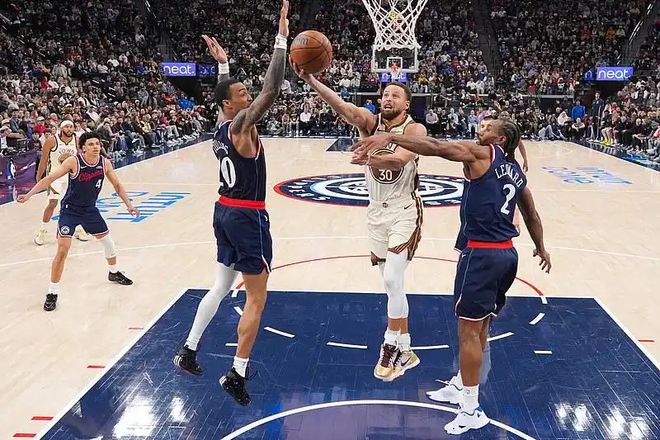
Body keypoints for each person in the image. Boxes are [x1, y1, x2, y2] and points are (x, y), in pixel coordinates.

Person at [352, 117, 551, 435]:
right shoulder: (515, 171)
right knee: (481, 325)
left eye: (488, 128)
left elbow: (435, 147)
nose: (480, 129)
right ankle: (461, 384)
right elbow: (532, 214)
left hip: (482, 255)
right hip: (506, 255)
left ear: (499, 140)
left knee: (468, 333)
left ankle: (471, 409)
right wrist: (541, 247)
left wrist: (390, 137)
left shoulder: (483, 153)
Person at [173, 0, 290, 406]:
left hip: (222, 211)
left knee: (222, 285)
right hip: (246, 217)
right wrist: (281, 38)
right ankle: (237, 373)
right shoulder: (241, 124)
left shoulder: (221, 125)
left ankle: (188, 350)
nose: (249, 96)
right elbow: (272, 89)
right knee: (256, 297)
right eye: (242, 94)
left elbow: (228, 95)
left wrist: (223, 66)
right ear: (231, 104)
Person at [293, 63, 427, 381]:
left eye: (395, 95)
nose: (388, 98)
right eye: (385, 94)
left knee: (393, 279)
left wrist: (370, 157)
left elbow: (400, 159)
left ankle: (390, 344)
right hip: (375, 212)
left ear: (407, 104)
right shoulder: (370, 122)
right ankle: (406, 349)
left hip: (404, 209)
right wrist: (311, 79)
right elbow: (343, 106)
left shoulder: (414, 130)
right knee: (393, 285)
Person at [17, 131, 140, 311]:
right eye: (91, 144)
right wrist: (29, 195)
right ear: (83, 148)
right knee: (62, 250)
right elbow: (50, 178)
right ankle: (52, 292)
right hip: (70, 211)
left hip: (90, 210)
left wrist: (129, 205)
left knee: (108, 243)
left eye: (97, 143)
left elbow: (117, 185)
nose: (95, 147)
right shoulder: (73, 161)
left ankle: (113, 273)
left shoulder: (104, 163)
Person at [33, 120, 92, 245]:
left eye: (71, 126)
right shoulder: (52, 140)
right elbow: (43, 160)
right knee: (52, 203)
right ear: (61, 128)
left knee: (74, 205)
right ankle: (42, 231)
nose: (69, 129)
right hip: (54, 177)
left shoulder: (77, 141)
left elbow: (81, 159)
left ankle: (78, 229)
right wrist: (39, 178)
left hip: (71, 177)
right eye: (66, 127)